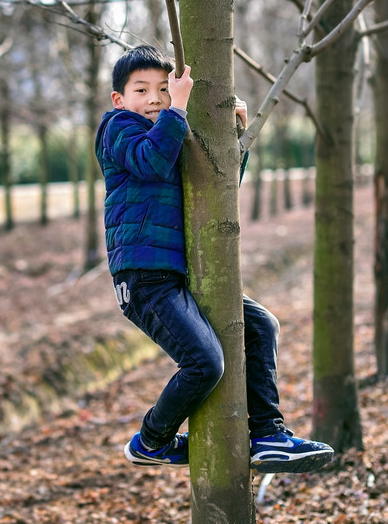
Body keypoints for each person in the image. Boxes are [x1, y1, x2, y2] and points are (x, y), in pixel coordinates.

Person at [94, 45, 334, 474]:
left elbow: (216, 193)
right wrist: (180, 108)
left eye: (164, 90)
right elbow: (148, 163)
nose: (154, 98)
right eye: (142, 90)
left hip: (179, 275)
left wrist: (233, 139)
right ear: (119, 99)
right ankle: (151, 440)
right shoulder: (118, 128)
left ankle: (266, 435)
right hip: (143, 277)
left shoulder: (171, 133)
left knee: (261, 325)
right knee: (205, 362)